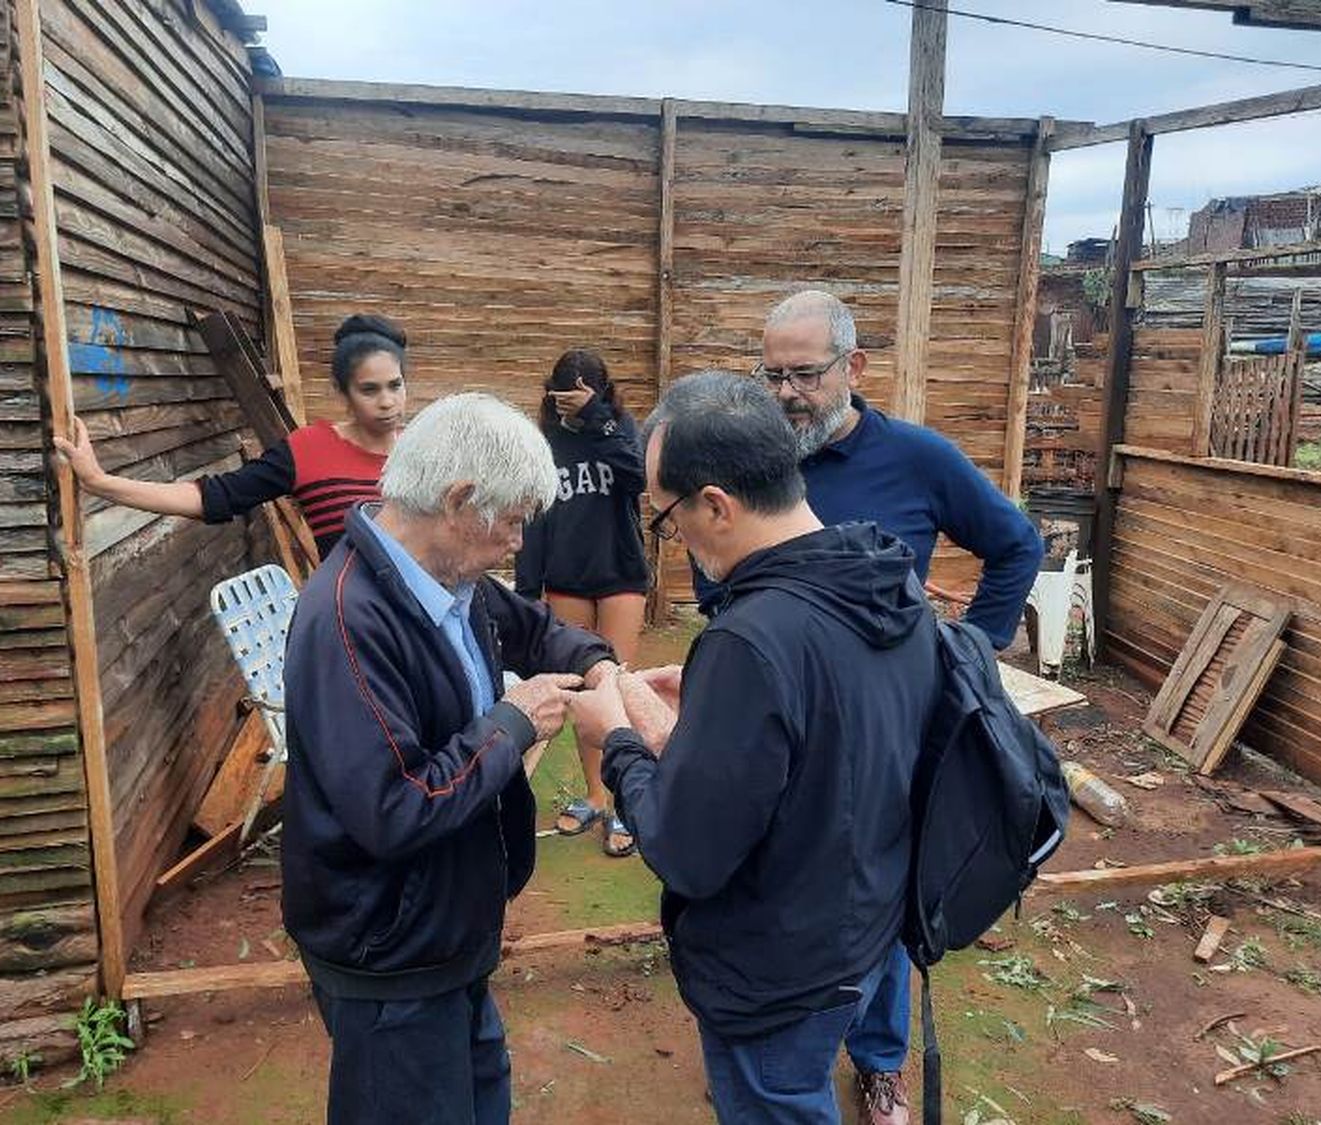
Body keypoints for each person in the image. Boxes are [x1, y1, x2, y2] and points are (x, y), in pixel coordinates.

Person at [569, 372, 940, 1125]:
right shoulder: (884, 578)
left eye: (666, 517)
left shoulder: (753, 638)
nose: (671, 539)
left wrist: (618, 741)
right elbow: (834, 753)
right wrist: (704, 728)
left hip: (781, 969)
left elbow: (686, 850)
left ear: (716, 504)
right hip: (870, 925)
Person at [282, 392, 618, 1125]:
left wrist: (600, 670)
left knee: (477, 1093)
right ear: (461, 499)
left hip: (449, 926)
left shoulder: (447, 580)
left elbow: (534, 628)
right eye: (516, 520)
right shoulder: (347, 618)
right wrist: (513, 722)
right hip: (389, 952)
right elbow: (395, 808)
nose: (521, 543)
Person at [752, 288, 1044, 1125]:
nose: (785, 394)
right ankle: (779, 1047)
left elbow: (1017, 543)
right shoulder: (759, 460)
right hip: (777, 724)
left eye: (804, 374)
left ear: (855, 368)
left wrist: (972, 652)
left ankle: (880, 1062)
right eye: (770, 374)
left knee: (879, 894)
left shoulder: (918, 459)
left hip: (890, 733)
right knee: (772, 882)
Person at [54, 313, 408, 557]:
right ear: (342, 392)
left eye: (395, 385)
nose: (387, 402)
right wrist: (99, 482)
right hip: (356, 633)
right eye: (369, 390)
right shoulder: (309, 451)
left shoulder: (426, 451)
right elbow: (213, 497)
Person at [514, 349, 648, 858]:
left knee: (620, 685)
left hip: (621, 576)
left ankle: (624, 803)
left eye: (585, 394)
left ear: (601, 391)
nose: (573, 403)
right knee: (581, 694)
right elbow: (534, 519)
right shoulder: (544, 444)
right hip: (566, 579)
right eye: (565, 395)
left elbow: (637, 479)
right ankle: (595, 794)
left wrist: (597, 420)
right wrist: (527, 591)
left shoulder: (619, 430)